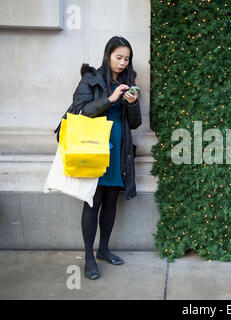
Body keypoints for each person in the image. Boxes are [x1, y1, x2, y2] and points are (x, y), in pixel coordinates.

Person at [55, 36, 142, 279]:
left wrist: (133, 104)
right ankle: (89, 257)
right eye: (119, 57)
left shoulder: (128, 84)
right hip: (93, 148)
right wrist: (111, 99)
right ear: (107, 55)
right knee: (92, 201)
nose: (123, 63)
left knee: (112, 200)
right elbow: (79, 111)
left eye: (127, 59)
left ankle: (104, 249)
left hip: (118, 149)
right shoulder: (90, 79)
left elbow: (135, 123)